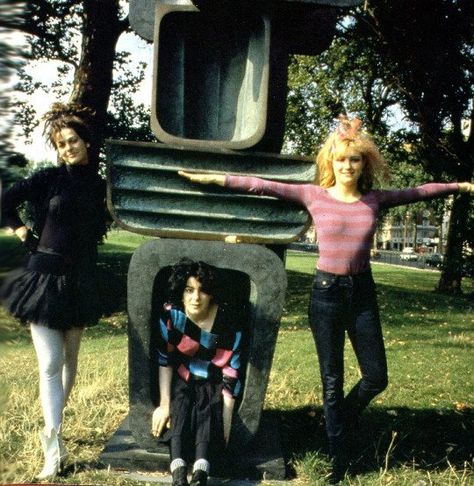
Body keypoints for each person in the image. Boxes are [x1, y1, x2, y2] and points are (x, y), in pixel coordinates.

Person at [178, 116, 474, 484]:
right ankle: (338, 457)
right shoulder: (314, 195)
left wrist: (460, 186)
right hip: (326, 294)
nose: (347, 166)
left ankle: (338, 420)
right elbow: (262, 185)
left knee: (376, 377)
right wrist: (215, 178)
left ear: (364, 164)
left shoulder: (374, 200)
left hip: (362, 294)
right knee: (331, 380)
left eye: (354, 160)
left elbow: (421, 190)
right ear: (330, 163)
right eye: (340, 160)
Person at [0, 102, 108, 480]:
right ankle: (53, 448)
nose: (67, 148)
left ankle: (58, 433)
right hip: (43, 278)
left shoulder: (101, 186)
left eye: (72, 140)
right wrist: (20, 230)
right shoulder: (48, 179)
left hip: (79, 282)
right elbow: (4, 203)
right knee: (49, 364)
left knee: (69, 363)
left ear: (86, 142)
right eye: (61, 144)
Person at [151, 258, 242, 486]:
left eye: (202, 291)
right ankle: (179, 472)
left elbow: (231, 371)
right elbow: (165, 360)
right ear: (181, 292)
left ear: (211, 294)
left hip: (213, 379)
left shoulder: (228, 321)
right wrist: (164, 405)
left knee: (208, 410)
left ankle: (201, 471)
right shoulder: (172, 316)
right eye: (189, 290)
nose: (196, 298)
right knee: (179, 407)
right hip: (184, 374)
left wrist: (227, 420)